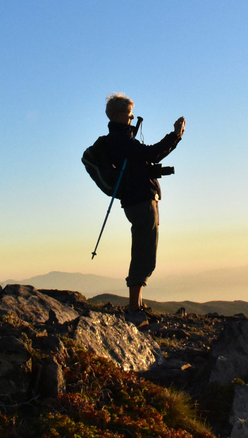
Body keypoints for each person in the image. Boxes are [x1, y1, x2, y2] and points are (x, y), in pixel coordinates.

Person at [104, 93, 185, 328]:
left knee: (143, 248)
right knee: (143, 250)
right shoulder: (120, 140)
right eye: (129, 114)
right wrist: (176, 135)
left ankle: (137, 305)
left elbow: (140, 163)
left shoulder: (118, 139)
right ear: (119, 115)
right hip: (140, 201)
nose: (132, 118)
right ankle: (133, 308)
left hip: (136, 200)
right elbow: (152, 153)